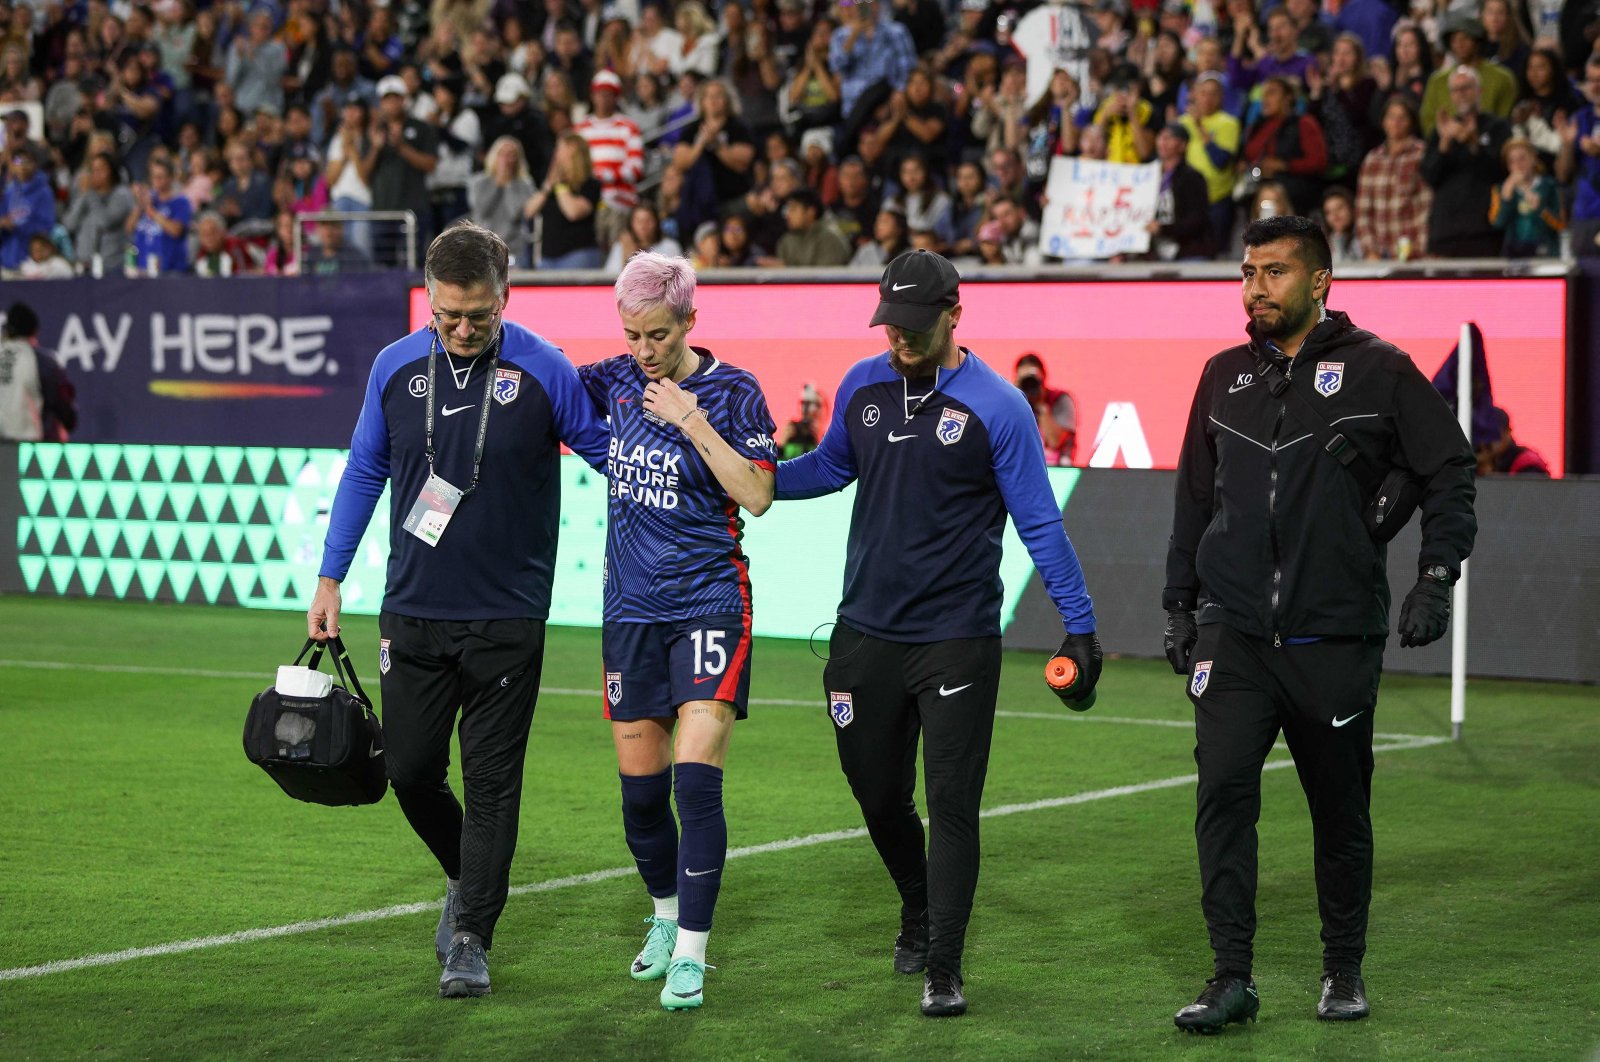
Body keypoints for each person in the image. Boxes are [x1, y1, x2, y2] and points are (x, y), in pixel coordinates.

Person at [1163, 215, 1476, 1034]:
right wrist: (1175, 604)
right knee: (1223, 797)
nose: (1254, 288)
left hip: (1333, 636)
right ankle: (1231, 976)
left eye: (1272, 273)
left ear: (1320, 280)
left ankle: (1343, 970)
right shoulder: (1221, 374)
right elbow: (1195, 500)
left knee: (1339, 810)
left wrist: (1435, 577)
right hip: (1232, 634)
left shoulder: (1381, 370)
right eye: (1246, 273)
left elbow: (1450, 470)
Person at [774, 249, 1101, 1017]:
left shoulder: (997, 406)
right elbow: (825, 469)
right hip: (864, 635)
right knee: (878, 794)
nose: (901, 339)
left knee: (952, 804)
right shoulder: (862, 384)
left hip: (957, 639)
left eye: (915, 325)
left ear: (956, 314)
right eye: (891, 324)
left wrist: (1079, 629)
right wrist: (751, 475)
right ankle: (916, 904)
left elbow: (1040, 525)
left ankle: (944, 966)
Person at [306, 221, 610, 999]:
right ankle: (464, 875)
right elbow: (364, 470)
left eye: (478, 314)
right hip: (412, 610)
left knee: (493, 781)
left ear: (506, 297)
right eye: (449, 316)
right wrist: (330, 578)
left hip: (508, 617)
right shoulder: (395, 366)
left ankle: (472, 935)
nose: (464, 329)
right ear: (432, 302)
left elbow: (613, 458)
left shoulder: (544, 370)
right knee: (407, 770)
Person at [575, 251, 776, 1011]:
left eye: (657, 334)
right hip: (628, 611)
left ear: (690, 320)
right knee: (640, 798)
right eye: (632, 335)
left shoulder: (734, 392)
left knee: (696, 782)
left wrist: (689, 419)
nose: (643, 350)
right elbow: (544, 379)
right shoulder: (617, 377)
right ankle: (663, 917)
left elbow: (757, 493)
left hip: (708, 602)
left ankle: (692, 952)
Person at [1421, 66, 1510, 258]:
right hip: (1445, 231)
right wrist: (1444, 144)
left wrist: (1473, 143)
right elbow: (1429, 177)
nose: (1461, 94)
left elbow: (1499, 171)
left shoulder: (1498, 126)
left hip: (1485, 229)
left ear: (1479, 91)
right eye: (1456, 90)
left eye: (1466, 88)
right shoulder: (1440, 131)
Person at [1013, 352, 1076, 466]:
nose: (1029, 384)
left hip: (1057, 471)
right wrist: (1014, 396)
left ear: (1043, 377)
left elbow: (1055, 442)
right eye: (1024, 380)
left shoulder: (1060, 400)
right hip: (1023, 470)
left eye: (1033, 379)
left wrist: (1041, 404)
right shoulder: (1012, 405)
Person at [1475, 406, 1550, 476]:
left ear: (1507, 433)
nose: (1485, 441)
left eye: (1492, 433)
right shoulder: (1477, 461)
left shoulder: (1527, 463)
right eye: (1482, 433)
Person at [776, 382, 826, 458]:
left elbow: (829, 465)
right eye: (804, 403)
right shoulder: (792, 432)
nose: (811, 410)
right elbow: (777, 465)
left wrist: (819, 440)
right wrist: (781, 445)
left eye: (817, 405)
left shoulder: (828, 439)